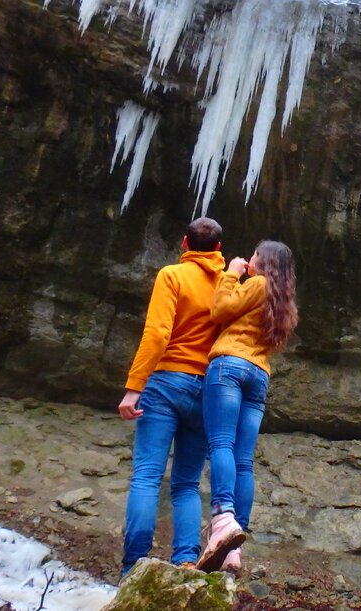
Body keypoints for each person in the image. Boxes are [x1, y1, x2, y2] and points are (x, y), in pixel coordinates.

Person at [118, 217, 225, 575]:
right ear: (219, 249)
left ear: (184, 243)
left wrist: (135, 386)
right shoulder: (228, 284)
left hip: (165, 383)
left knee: (147, 476)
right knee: (186, 484)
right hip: (207, 389)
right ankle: (185, 560)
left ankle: (135, 566)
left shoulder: (172, 276)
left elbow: (157, 333)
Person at [196, 240, 298, 572]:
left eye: (253, 254)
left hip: (229, 367)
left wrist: (231, 274)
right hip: (259, 376)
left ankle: (223, 518)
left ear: (262, 260)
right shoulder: (283, 302)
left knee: (221, 443)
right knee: (244, 460)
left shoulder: (256, 283)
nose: (249, 258)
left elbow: (220, 310)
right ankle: (233, 548)